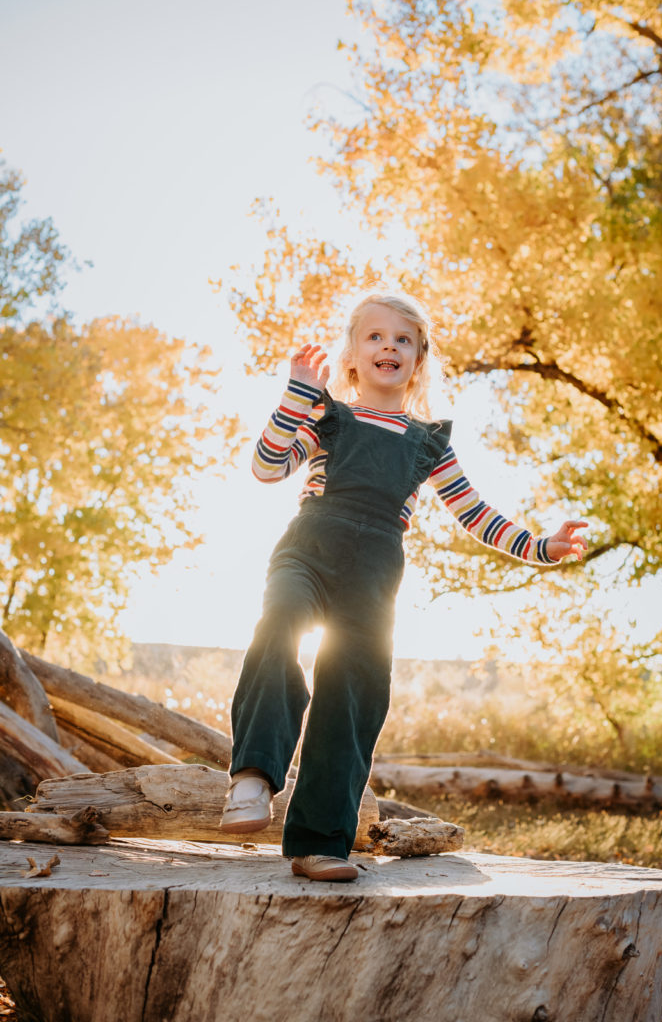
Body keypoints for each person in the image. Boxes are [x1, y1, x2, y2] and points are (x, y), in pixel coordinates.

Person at [221, 292, 588, 882]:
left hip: (373, 571)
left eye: (402, 340)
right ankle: (253, 777)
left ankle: (319, 843)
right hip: (309, 549)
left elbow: (477, 515)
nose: (388, 346)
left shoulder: (427, 442)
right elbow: (266, 467)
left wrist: (543, 547)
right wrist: (295, 395)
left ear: (418, 359)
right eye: (374, 337)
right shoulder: (326, 417)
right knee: (280, 621)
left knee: (353, 687)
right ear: (351, 355)